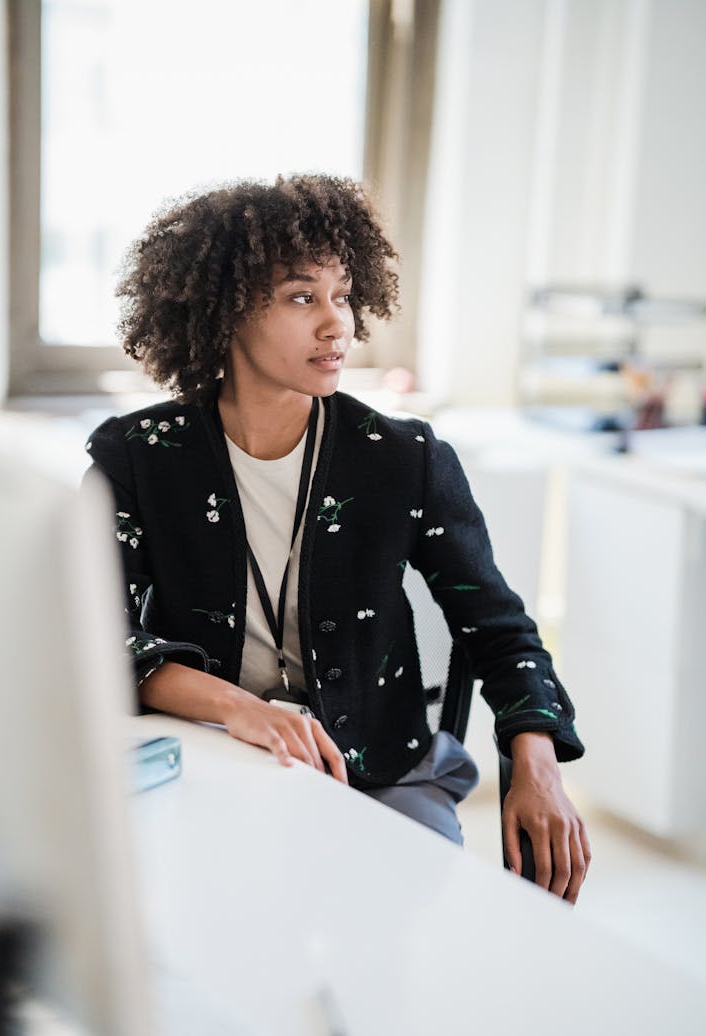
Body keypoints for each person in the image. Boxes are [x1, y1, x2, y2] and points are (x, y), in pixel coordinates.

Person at [86, 173, 591, 901]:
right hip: (207, 758)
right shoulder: (138, 456)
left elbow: (500, 630)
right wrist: (240, 707)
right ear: (225, 310)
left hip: (378, 774)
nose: (337, 324)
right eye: (301, 297)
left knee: (385, 941)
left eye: (343, 295)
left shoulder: (401, 458)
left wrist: (537, 763)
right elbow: (96, 638)